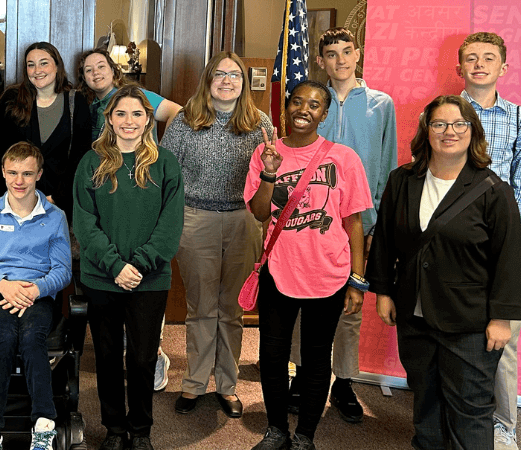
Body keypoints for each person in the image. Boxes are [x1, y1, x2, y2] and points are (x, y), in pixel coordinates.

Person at [367, 95, 521, 450]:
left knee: (469, 410)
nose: (449, 132)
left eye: (459, 124)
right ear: (427, 132)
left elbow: (509, 258)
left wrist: (502, 318)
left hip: (469, 323)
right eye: (439, 124)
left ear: (473, 132)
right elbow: (386, 242)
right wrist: (383, 291)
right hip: (415, 317)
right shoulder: (402, 180)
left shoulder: (493, 190)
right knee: (425, 399)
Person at [245, 80, 370, 450]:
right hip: (278, 270)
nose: (304, 109)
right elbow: (257, 211)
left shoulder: (343, 158)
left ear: (324, 114)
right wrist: (269, 171)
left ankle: (305, 437)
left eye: (314, 105)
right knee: (272, 353)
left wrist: (357, 279)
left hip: (328, 272)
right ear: (285, 108)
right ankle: (276, 430)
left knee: (316, 358)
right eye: (297, 102)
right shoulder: (265, 153)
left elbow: (355, 224)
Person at [288, 28, 398, 423]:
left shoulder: (380, 105)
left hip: (358, 221)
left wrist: (376, 222)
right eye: (331, 54)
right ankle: (300, 374)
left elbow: (386, 164)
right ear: (321, 60)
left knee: (351, 304)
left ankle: (345, 382)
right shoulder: (313, 101)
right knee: (303, 300)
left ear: (357, 54)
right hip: (309, 223)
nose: (340, 60)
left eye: (346, 52)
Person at [160, 52, 273, 420]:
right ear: (208, 80)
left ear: (244, 82)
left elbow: (271, 176)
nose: (227, 80)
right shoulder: (184, 121)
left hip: (243, 221)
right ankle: (193, 384)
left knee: (232, 309)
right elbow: (166, 172)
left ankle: (227, 385)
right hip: (196, 220)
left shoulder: (260, 124)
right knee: (201, 307)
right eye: (220, 74)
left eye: (235, 75)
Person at [73, 85, 184, 450]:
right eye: (121, 114)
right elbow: (84, 223)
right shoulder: (91, 163)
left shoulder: (165, 163)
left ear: (148, 119)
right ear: (109, 119)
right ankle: (115, 430)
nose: (129, 121)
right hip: (101, 278)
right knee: (105, 357)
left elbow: (170, 226)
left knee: (141, 358)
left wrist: (137, 265)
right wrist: (114, 266)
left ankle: (140, 431)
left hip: (149, 280)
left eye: (137, 114)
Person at [456, 31, 521, 450]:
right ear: (460, 68)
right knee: (452, 332)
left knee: (503, 341)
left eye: (488, 58)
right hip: (452, 243)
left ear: (503, 67)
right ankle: (449, 415)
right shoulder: (445, 113)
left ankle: (504, 427)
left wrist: (499, 235)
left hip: (500, 245)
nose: (479, 64)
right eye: (471, 57)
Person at [0, 141, 72, 450]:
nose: (19, 181)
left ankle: (43, 425)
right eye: (12, 173)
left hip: (39, 295)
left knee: (31, 337)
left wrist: (36, 290)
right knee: (4, 337)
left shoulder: (54, 216)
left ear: (39, 174)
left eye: (27, 173)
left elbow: (63, 270)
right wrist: (4, 286)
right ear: (2, 172)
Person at [0, 42, 92, 220]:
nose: (37, 70)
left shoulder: (76, 102)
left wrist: (57, 197)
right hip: (15, 201)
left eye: (44, 63)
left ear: (57, 66)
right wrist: (20, 194)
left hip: (60, 204)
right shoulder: (12, 100)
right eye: (31, 65)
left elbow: (81, 156)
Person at [79, 48, 181, 142]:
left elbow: (177, 112)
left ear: (112, 70)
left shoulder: (136, 95)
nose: (96, 72)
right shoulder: (90, 106)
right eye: (88, 70)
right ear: (84, 78)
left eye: (101, 66)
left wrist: (165, 150)